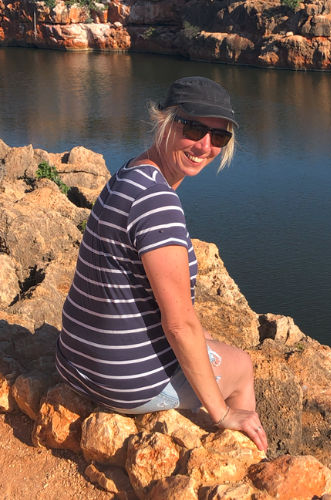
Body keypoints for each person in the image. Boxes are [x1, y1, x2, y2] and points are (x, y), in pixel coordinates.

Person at [55, 76, 267, 451]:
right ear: (166, 119)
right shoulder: (157, 204)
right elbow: (179, 324)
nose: (205, 146)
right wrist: (220, 412)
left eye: (219, 137)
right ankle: (241, 454)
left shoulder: (131, 173)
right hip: (121, 380)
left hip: (73, 360)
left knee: (206, 341)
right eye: (195, 128)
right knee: (242, 367)